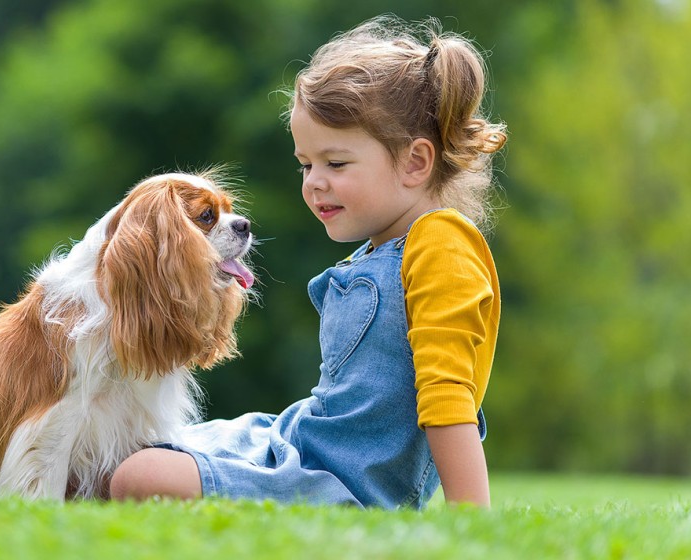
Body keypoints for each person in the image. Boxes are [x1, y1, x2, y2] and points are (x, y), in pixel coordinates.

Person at [107, 15, 509, 508]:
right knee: (125, 452)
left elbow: (448, 395)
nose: (314, 182)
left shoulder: (441, 245)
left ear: (415, 162)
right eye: (306, 164)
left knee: (138, 475)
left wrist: (474, 519)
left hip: (342, 483)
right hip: (298, 443)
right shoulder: (382, 248)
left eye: (335, 164)